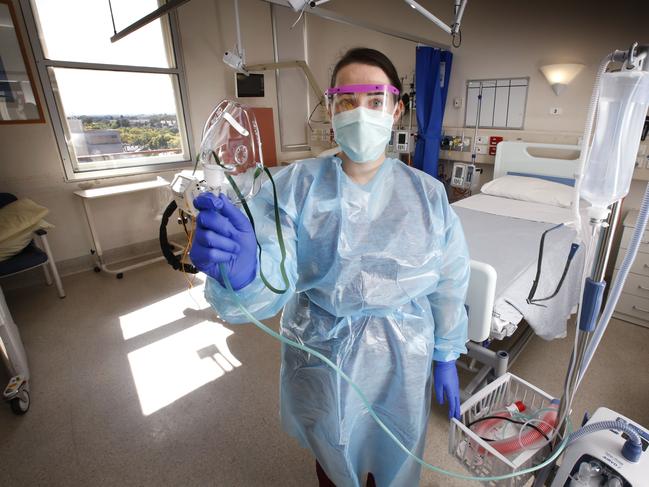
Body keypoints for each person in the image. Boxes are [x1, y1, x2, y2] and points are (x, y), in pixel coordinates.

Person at [190, 47, 469, 487]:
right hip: (323, 359)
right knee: (334, 460)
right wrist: (244, 273)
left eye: (375, 101)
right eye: (347, 100)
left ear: (396, 110)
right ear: (331, 107)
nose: (361, 113)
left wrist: (447, 354)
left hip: (404, 363)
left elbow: (450, 280)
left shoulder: (428, 197)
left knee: (396, 458)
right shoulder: (295, 188)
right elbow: (271, 274)